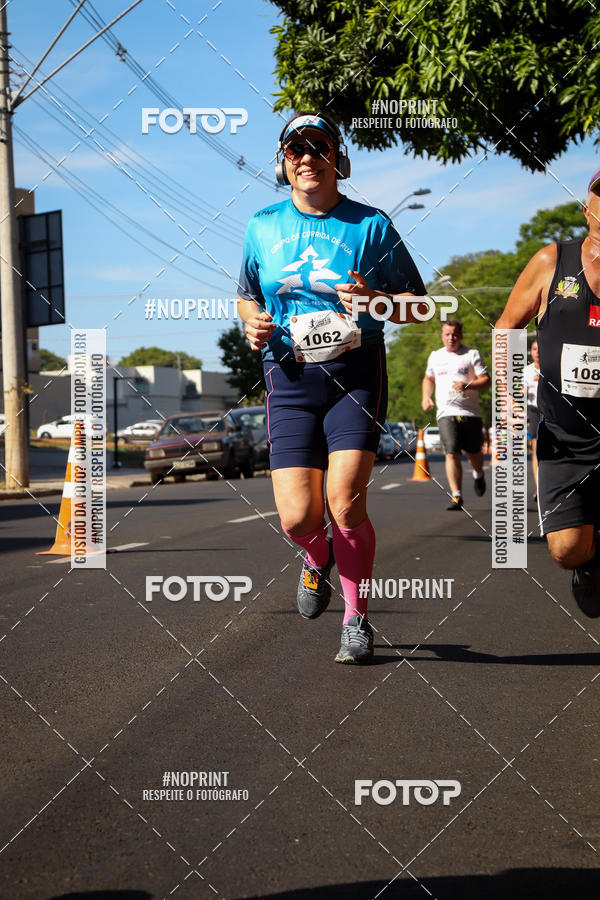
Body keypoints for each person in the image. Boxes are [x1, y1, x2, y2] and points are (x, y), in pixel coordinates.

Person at [236, 111, 426, 663]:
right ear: (284, 162)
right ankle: (318, 561)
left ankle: (356, 619)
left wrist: (377, 302)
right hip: (289, 376)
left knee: (344, 503)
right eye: (295, 149)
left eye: (317, 147)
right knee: (298, 518)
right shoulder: (261, 225)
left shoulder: (371, 226)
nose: (306, 157)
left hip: (355, 375)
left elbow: (418, 306)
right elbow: (246, 294)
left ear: (337, 159)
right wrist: (250, 321)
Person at [496, 170, 600, 618]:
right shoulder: (552, 261)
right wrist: (509, 397)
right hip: (564, 432)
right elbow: (507, 329)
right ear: (587, 209)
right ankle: (590, 563)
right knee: (566, 549)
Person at [422, 320, 491, 510]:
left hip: (470, 412)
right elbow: (428, 378)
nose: (451, 338)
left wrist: (468, 385)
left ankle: (478, 473)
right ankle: (456, 495)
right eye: (447, 334)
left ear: (460, 335)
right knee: (451, 452)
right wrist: (426, 397)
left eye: (455, 334)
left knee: (473, 452)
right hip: (445, 412)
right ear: (442, 336)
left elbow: (486, 381)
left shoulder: (471, 354)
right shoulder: (435, 356)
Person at [525, 339, 541, 496]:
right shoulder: (526, 371)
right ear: (530, 352)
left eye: (540, 348)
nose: (537, 352)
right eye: (535, 349)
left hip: (552, 411)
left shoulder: (552, 368)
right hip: (534, 410)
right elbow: (518, 394)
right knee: (536, 449)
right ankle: (539, 487)